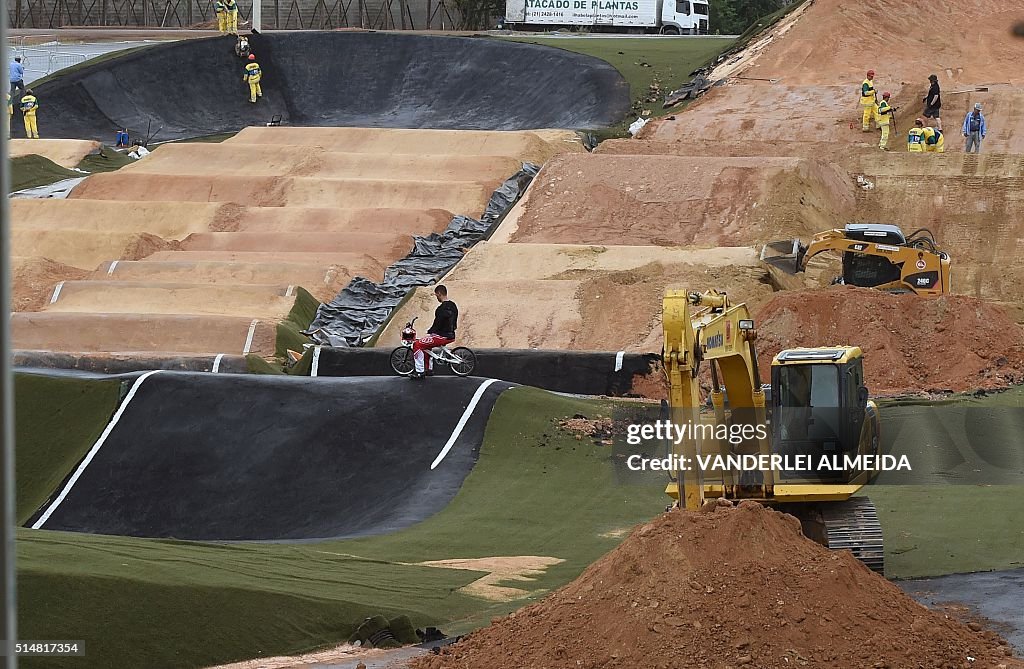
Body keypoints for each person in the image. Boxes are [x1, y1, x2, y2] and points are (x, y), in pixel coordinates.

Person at [410, 285, 458, 380]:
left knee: (417, 344)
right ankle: (428, 369)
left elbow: (437, 324)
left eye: (436, 295)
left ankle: (420, 371)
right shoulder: (453, 305)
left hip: (442, 336)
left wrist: (431, 330)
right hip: (451, 334)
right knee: (426, 345)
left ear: (439, 294)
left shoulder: (440, 309)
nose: (437, 298)